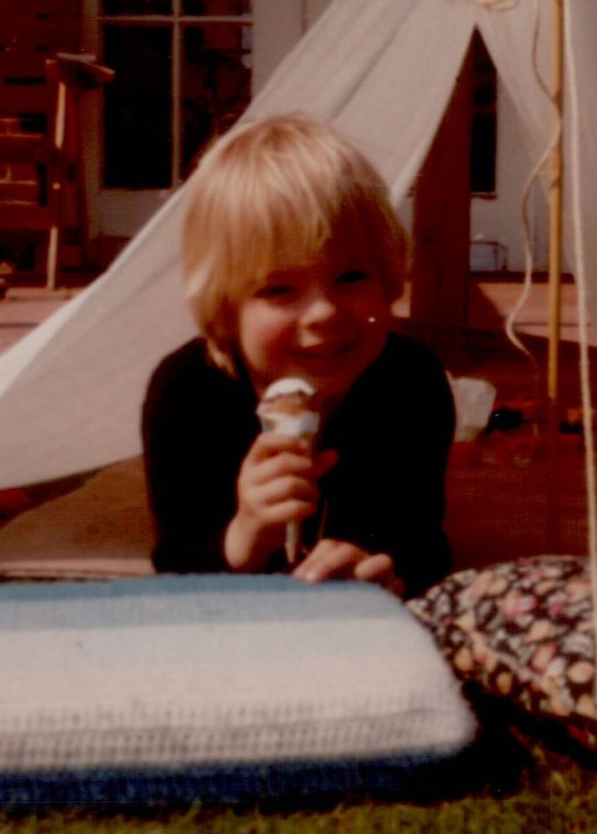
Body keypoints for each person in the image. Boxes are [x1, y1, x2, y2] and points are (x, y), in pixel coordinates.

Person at [142, 113, 455, 599]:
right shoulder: (187, 392)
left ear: (389, 278)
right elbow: (178, 559)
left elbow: (419, 539)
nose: (324, 312)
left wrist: (385, 571)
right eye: (279, 289)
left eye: (351, 277)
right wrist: (243, 538)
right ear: (226, 309)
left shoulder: (411, 384)